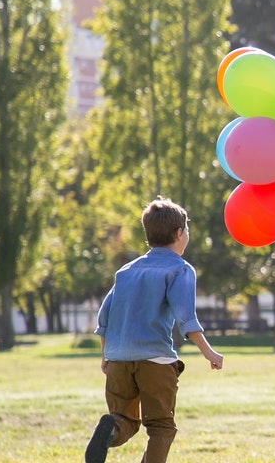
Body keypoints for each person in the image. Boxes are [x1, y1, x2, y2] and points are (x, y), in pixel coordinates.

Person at [85, 198, 225, 463]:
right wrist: (209, 352)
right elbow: (186, 318)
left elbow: (104, 317)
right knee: (161, 427)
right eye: (187, 230)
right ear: (178, 234)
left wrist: (106, 355)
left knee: (124, 419)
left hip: (118, 359)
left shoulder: (126, 271)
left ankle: (109, 430)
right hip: (155, 360)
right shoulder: (179, 269)